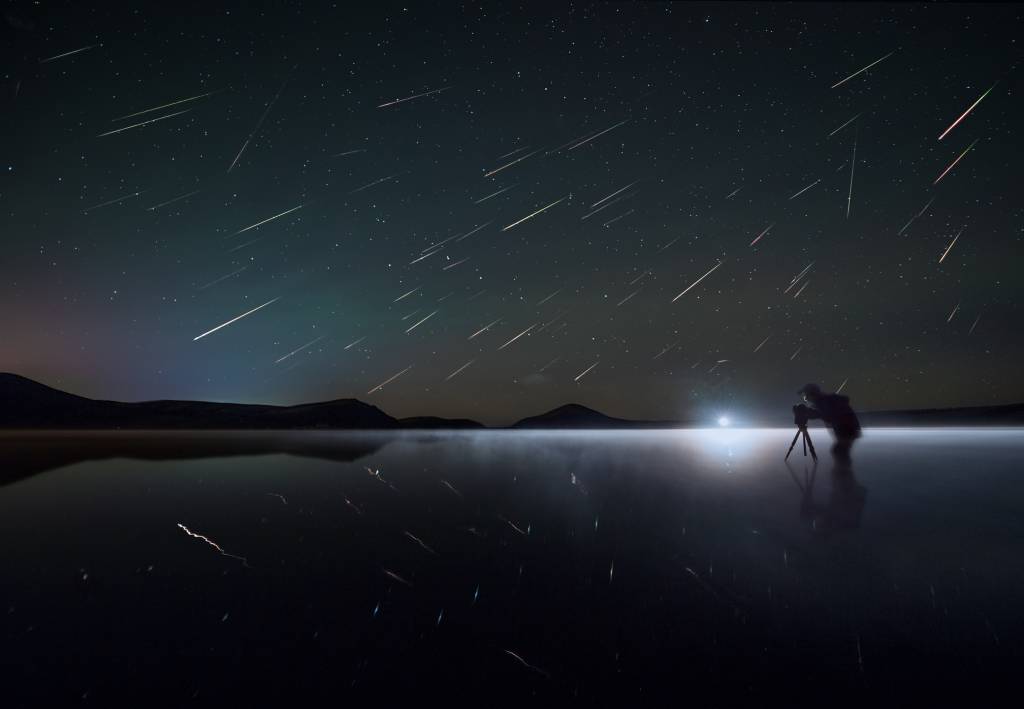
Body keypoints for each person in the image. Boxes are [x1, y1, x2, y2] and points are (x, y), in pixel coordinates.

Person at [796, 383, 861, 464]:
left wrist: (806, 412)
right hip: (849, 430)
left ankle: (843, 472)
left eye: (806, 397)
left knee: (839, 452)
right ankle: (843, 471)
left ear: (812, 394)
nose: (806, 399)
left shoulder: (824, 402)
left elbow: (826, 415)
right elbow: (824, 414)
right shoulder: (826, 401)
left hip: (847, 430)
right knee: (839, 452)